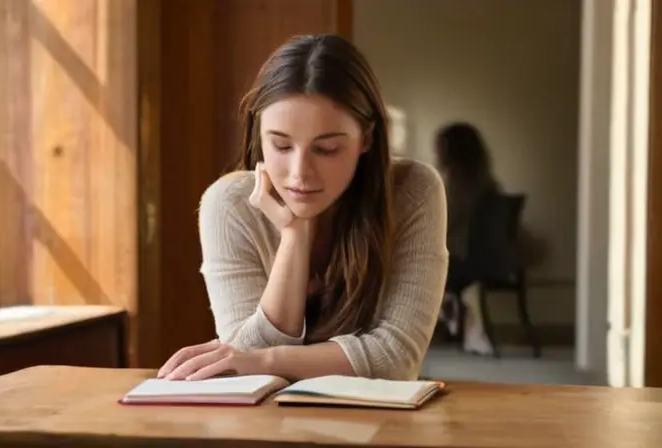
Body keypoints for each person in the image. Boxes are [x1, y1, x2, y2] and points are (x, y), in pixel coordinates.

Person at [156, 34, 449, 382]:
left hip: (380, 424)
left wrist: (267, 362)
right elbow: (239, 370)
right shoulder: (229, 206)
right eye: (281, 145)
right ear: (259, 134)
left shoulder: (413, 192)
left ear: (367, 138)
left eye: (326, 150)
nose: (299, 174)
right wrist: (294, 236)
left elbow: (396, 359)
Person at [433, 122, 500, 354]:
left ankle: (447, 314)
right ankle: (450, 312)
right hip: (482, 261)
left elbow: (444, 224)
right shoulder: (487, 182)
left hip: (465, 264)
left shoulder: (458, 186)